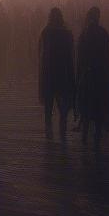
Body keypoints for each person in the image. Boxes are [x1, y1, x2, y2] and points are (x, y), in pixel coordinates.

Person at [76, 7, 109, 152]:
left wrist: (78, 75)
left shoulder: (84, 35)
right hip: (100, 75)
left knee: (87, 106)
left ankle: (84, 137)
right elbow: (107, 57)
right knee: (99, 107)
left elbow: (79, 59)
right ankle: (97, 137)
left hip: (87, 76)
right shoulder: (103, 33)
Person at [38, 7, 75, 141]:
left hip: (48, 72)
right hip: (63, 72)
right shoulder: (67, 34)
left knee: (48, 105)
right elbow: (71, 55)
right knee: (62, 106)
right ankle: (62, 132)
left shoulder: (45, 33)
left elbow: (40, 54)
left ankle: (49, 133)